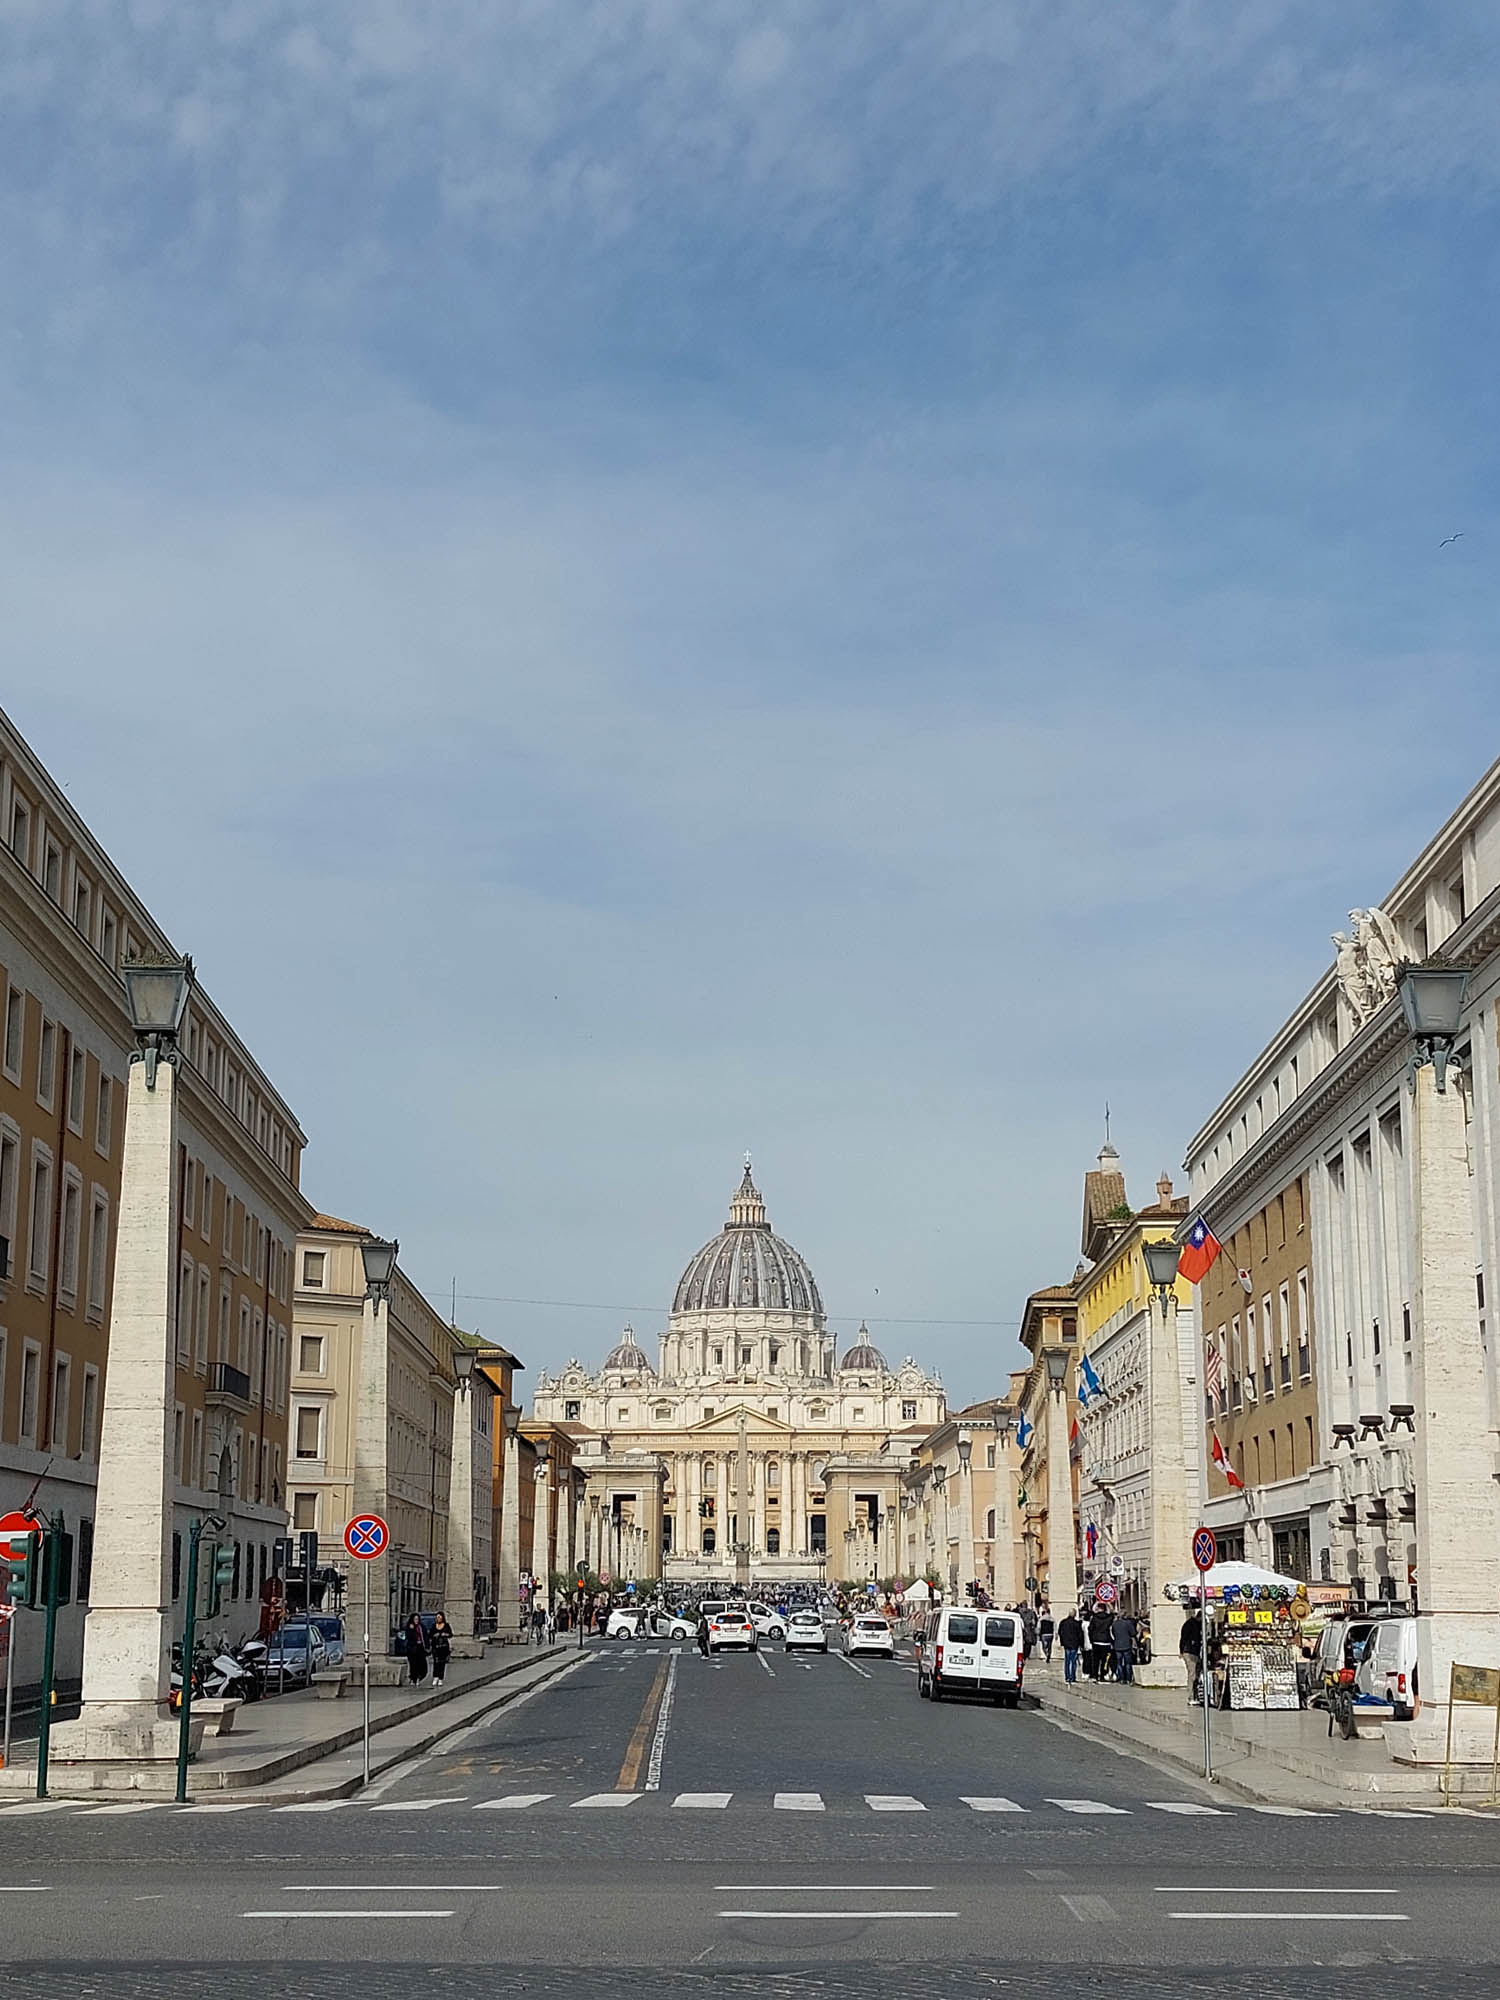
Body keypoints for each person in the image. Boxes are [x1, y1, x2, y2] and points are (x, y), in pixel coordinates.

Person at [1179, 1609, 1204, 1703]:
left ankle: (1195, 1695)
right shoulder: (1190, 1625)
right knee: (1192, 1674)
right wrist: (1182, 1651)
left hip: (1193, 1652)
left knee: (1195, 1674)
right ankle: (1190, 1697)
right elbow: (1184, 1638)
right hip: (1190, 1652)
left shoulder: (1195, 1624)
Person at [1057, 1609, 1084, 1684]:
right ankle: (1072, 1677)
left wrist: (1062, 1642)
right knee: (1073, 1661)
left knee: (1067, 1661)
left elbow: (1060, 1632)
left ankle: (1067, 1677)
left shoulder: (1063, 1622)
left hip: (1066, 1644)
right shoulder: (1077, 1624)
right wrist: (1081, 1644)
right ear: (1075, 1615)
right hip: (1074, 1644)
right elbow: (1080, 1635)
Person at [1111, 1608, 1137, 1684]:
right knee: (1128, 1663)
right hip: (1127, 1645)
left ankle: (1121, 1679)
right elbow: (1133, 1633)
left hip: (1117, 1645)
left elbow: (1113, 1633)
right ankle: (1128, 1679)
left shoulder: (1115, 1623)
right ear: (1125, 1614)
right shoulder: (1128, 1623)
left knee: (1119, 1663)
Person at [1088, 1605, 1114, 1679]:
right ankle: (1103, 1674)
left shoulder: (1094, 1618)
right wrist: (1108, 1603)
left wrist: (1091, 1639)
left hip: (1096, 1641)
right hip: (1106, 1641)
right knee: (1105, 1660)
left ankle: (1095, 1675)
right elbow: (1112, 1612)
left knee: (1095, 1660)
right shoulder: (1109, 1618)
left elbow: (1090, 1629)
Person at [403, 1613, 428, 1686]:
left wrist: (427, 1646)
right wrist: (412, 1629)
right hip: (412, 1648)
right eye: (415, 1619)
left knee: (423, 1665)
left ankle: (419, 1677)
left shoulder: (422, 1627)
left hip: (420, 1647)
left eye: (417, 1619)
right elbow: (409, 1637)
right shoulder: (409, 1627)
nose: (416, 1621)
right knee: (413, 1664)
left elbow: (425, 1637)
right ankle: (414, 1678)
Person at [430, 1612, 452, 1687]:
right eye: (437, 1617)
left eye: (440, 1617)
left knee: (442, 1663)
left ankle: (440, 1678)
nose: (438, 1619)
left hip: (444, 1646)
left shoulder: (446, 1625)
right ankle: (435, 1677)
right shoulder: (433, 1626)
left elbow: (450, 1634)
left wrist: (445, 1634)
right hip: (435, 1646)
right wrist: (434, 1635)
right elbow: (430, 1635)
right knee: (436, 1662)